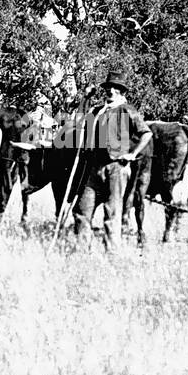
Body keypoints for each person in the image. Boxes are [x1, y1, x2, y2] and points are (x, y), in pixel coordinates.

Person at [70, 69, 153, 250]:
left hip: (117, 167)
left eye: (115, 88)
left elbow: (146, 133)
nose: (111, 91)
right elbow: (79, 120)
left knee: (112, 212)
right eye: (109, 88)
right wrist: (86, 98)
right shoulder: (98, 110)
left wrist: (132, 154)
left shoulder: (128, 110)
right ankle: (82, 252)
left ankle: (112, 253)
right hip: (94, 167)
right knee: (82, 210)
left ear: (122, 92)